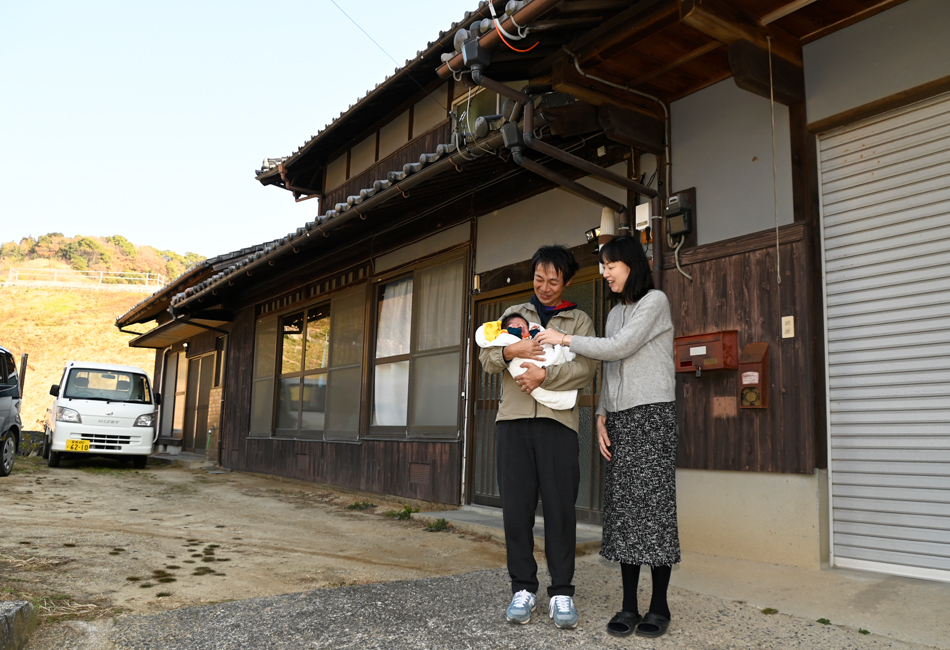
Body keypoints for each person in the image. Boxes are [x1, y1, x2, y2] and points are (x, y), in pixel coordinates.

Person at [536, 235, 680, 639]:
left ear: (629, 264)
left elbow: (619, 347)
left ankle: (660, 605)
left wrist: (563, 338)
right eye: (602, 267)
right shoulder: (616, 311)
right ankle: (629, 605)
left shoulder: (655, 302)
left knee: (653, 512)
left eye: (609, 266)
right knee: (623, 514)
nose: (605, 274)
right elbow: (611, 367)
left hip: (651, 415)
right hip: (618, 418)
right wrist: (600, 415)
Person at [478, 245, 597, 629]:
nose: (544, 287)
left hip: (558, 424)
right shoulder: (514, 316)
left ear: (566, 282)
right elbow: (485, 358)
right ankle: (523, 588)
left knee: (561, 509)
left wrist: (546, 376)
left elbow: (586, 370)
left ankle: (561, 591)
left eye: (553, 281)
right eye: (538, 279)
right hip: (512, 422)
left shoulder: (579, 321)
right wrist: (513, 347)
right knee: (516, 509)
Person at [474, 313, 577, 411]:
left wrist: (546, 374)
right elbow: (487, 364)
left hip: (558, 419)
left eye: (524, 326)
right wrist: (510, 351)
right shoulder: (507, 329)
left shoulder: (578, 318)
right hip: (513, 414)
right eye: (515, 325)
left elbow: (586, 365)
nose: (520, 327)